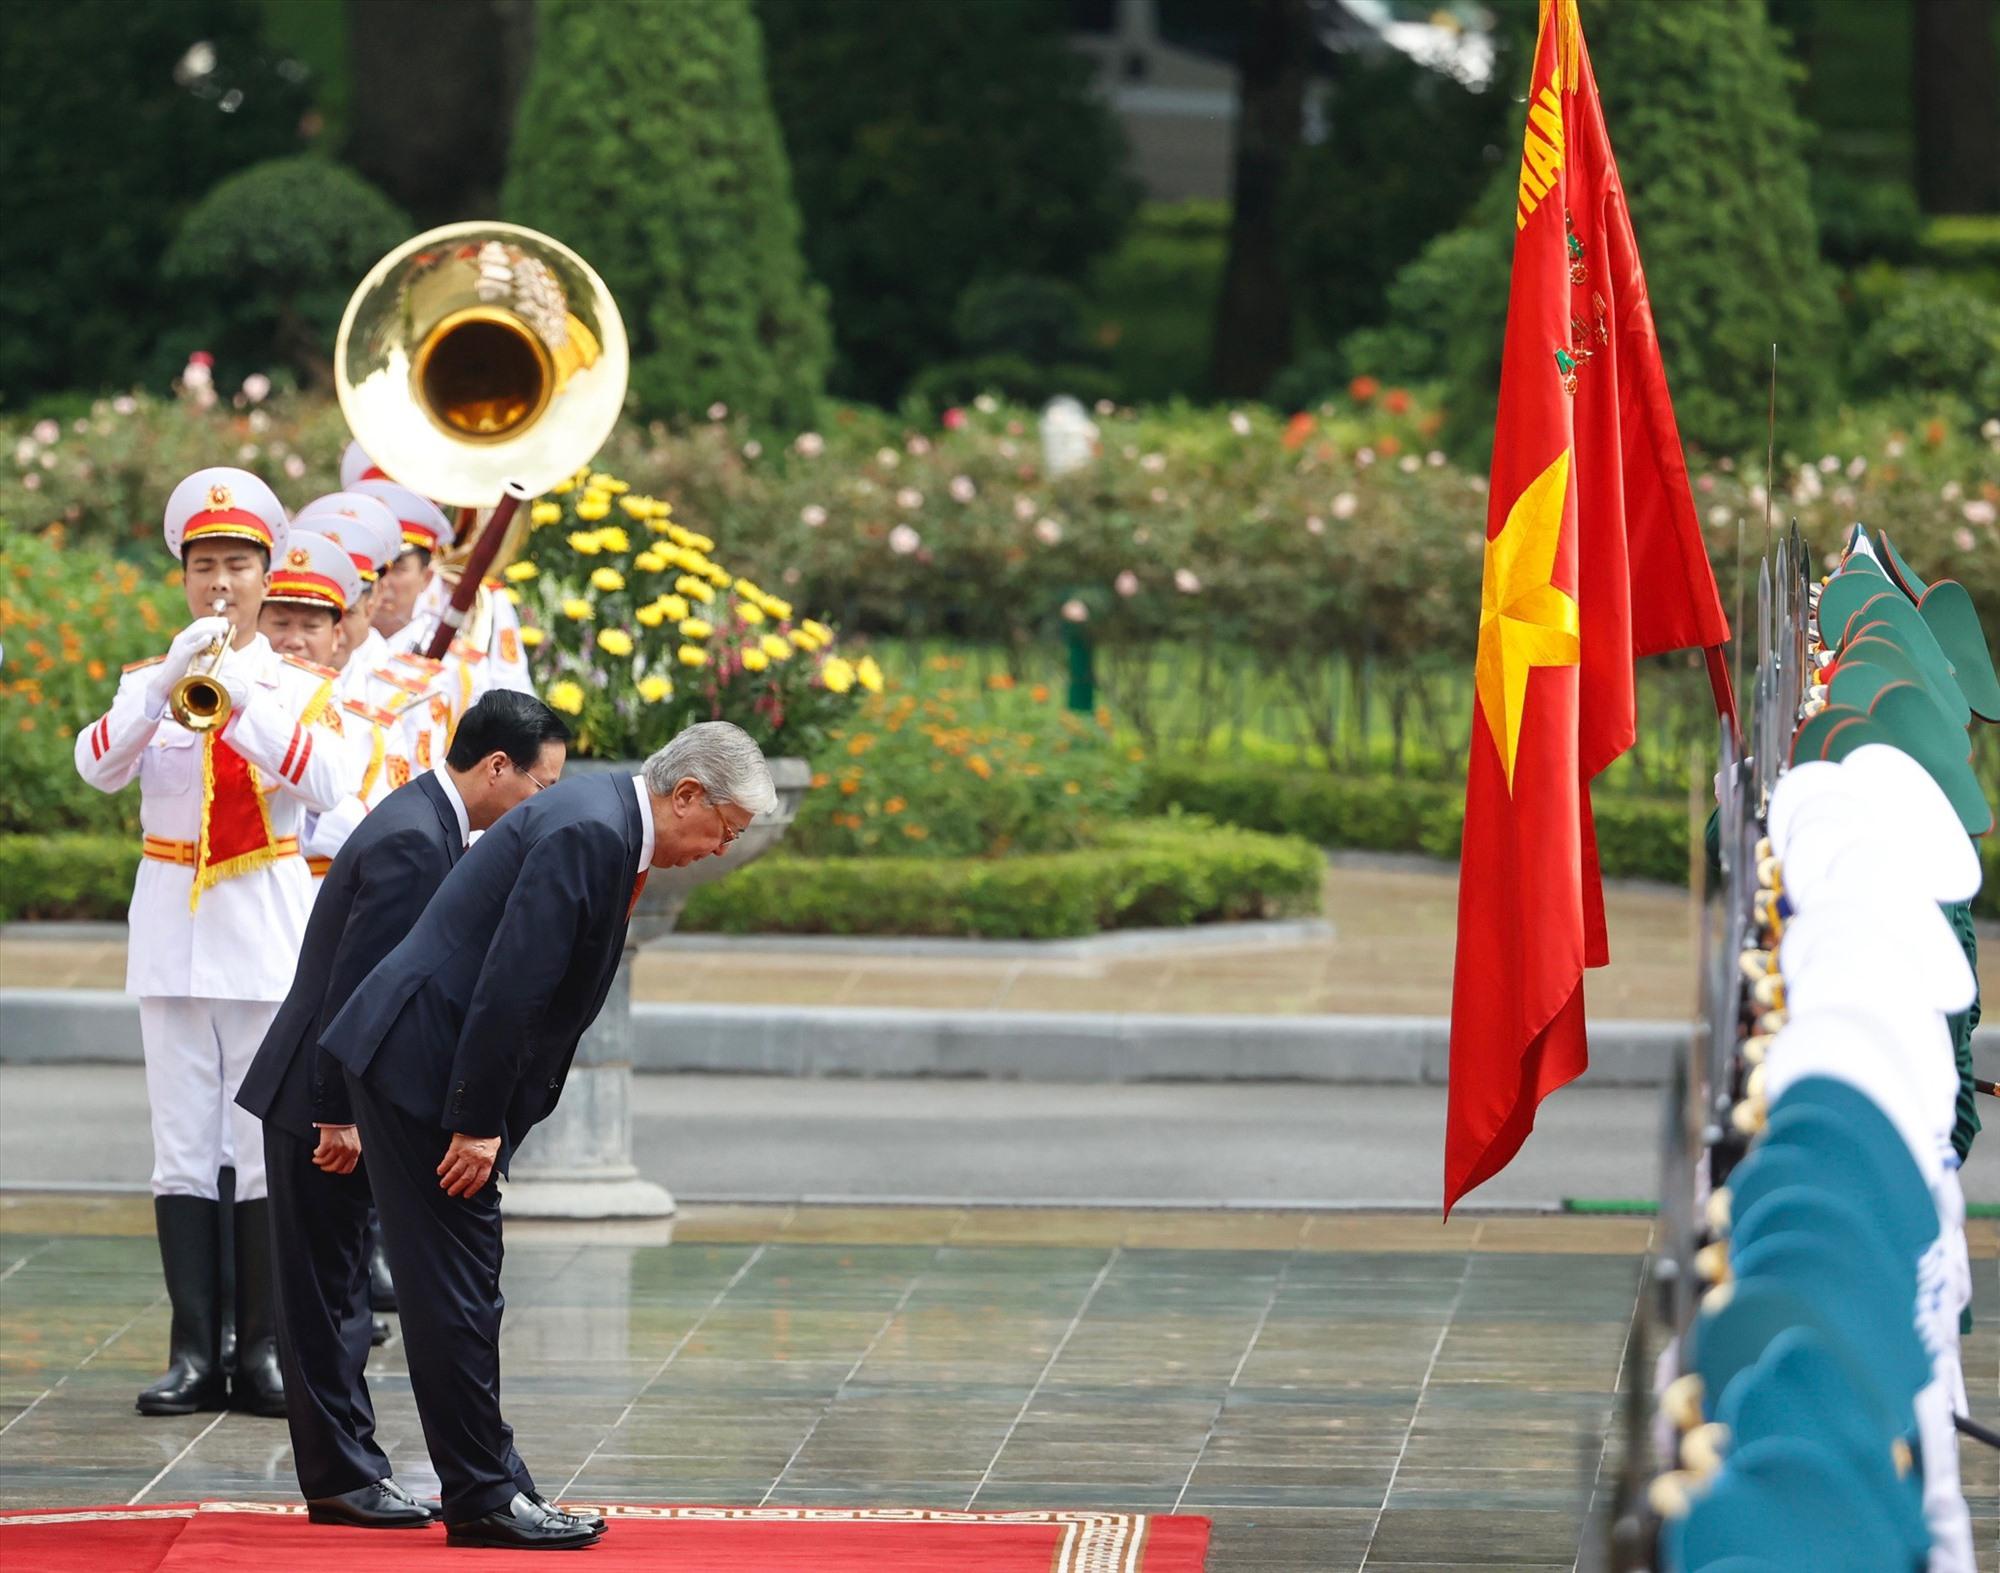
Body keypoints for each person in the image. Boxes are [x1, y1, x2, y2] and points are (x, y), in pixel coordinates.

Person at [319, 722, 777, 1548]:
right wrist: (474, 1123)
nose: (718, 849)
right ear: (686, 796)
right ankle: (486, 1497)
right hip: (424, 1070)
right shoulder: (589, 830)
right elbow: (510, 987)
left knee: (464, 1284)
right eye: (725, 830)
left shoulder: (601, 820)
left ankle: (493, 1483)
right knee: (457, 1290)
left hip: (426, 1062)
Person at [236, 691, 571, 1530]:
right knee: (324, 1294)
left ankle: (350, 1470)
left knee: (341, 1285)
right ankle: (343, 1477)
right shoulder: (416, 842)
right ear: (498, 766)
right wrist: (334, 1115)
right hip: (320, 1100)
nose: (542, 804)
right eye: (542, 784)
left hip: (335, 1095)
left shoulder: (428, 818)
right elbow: (351, 991)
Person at [74, 468, 362, 1419]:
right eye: (204, 565)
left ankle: (265, 1351)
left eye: (238, 564)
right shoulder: (147, 680)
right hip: (171, 934)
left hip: (265, 931)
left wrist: (238, 689)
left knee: (261, 1140)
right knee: (182, 1147)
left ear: (266, 569)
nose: (220, 583)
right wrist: (163, 684)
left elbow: (325, 782)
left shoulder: (296, 685)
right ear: (184, 575)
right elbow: (96, 765)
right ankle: (193, 1352)